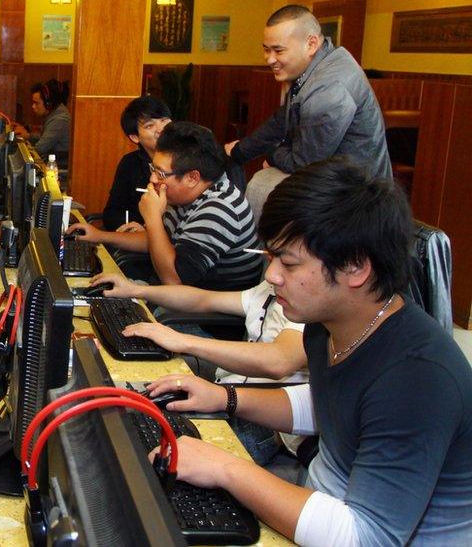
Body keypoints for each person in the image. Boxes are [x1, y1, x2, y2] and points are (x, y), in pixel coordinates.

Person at [146, 158, 472, 545]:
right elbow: (328, 404)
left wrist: (224, 468)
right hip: (318, 507)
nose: (272, 276)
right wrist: (225, 397)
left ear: (355, 268)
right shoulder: (328, 323)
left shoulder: (417, 379)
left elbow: (368, 537)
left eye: (289, 262)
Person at [90, 271, 306, 464]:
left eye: (286, 261)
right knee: (126, 422)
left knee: (142, 453)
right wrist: (137, 290)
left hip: (264, 423)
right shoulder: (270, 287)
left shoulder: (308, 303)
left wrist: (184, 341)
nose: (270, 272)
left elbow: (279, 360)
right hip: (225, 392)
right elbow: (204, 299)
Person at [224, 5, 391, 221]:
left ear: (311, 43)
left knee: (261, 186)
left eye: (279, 50)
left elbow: (303, 163)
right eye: (266, 49)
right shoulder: (327, 58)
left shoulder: (328, 93)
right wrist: (240, 151)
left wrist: (273, 155)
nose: (270, 59)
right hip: (335, 179)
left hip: (359, 201)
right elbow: (281, 120)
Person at [69, 121, 262, 291]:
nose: (152, 178)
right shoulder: (185, 194)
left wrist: (152, 217)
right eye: (153, 169)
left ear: (192, 178)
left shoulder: (220, 208)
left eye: (160, 173)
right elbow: (159, 240)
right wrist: (99, 235)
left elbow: (174, 280)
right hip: (175, 296)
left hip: (202, 319)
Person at [102, 96, 172, 232]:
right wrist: (132, 227)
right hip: (140, 240)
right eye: (150, 125)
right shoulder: (130, 164)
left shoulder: (189, 160)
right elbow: (112, 213)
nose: (161, 129)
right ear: (135, 137)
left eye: (163, 120)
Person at [14, 79, 71, 167]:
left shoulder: (59, 120)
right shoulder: (55, 113)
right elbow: (43, 138)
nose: (33, 106)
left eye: (36, 103)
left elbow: (39, 149)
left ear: (48, 104)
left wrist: (23, 145)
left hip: (58, 169)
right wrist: (28, 136)